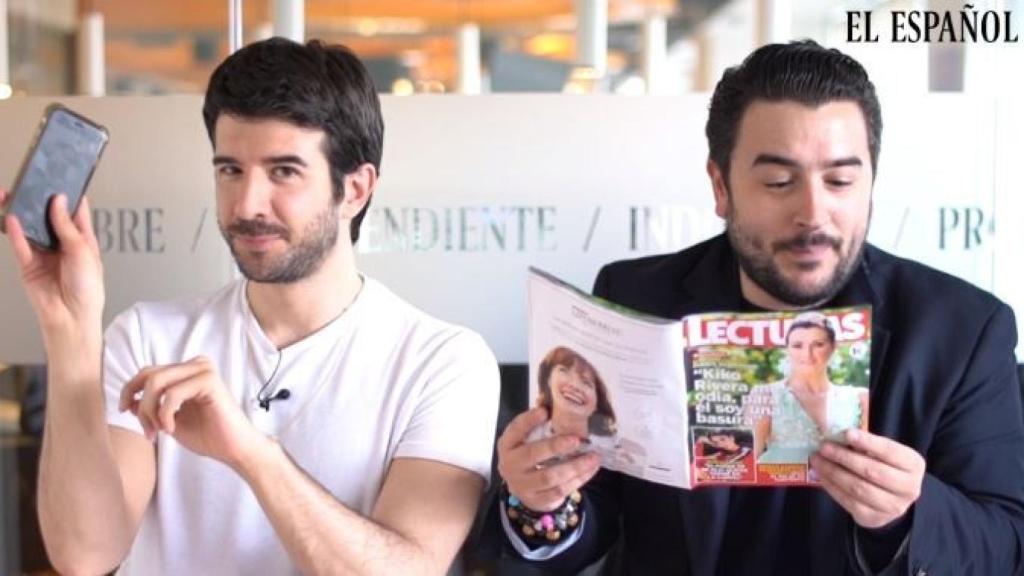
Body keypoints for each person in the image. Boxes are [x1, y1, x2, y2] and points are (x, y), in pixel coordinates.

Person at [495, 40, 1024, 574]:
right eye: (778, 182)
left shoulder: (962, 331)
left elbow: (1008, 545)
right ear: (721, 187)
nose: (813, 212)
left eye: (840, 181)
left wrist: (907, 515)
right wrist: (542, 501)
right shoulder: (637, 299)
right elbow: (592, 513)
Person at [2, 37, 499, 575]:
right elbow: (84, 555)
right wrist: (70, 332)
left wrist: (249, 452)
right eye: (230, 170)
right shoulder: (148, 336)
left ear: (355, 190)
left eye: (283, 171)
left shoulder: (442, 362)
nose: (246, 204)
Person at [750, 311, 869, 464]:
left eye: (818, 344)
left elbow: (864, 459)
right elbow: (755, 457)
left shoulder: (860, 398)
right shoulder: (766, 394)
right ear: (787, 349)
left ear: (833, 347)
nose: (807, 354)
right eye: (797, 346)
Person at [536, 346, 616, 440]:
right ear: (549, 380)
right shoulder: (529, 437)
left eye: (586, 382)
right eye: (564, 371)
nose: (575, 385)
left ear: (597, 402)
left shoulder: (620, 445)